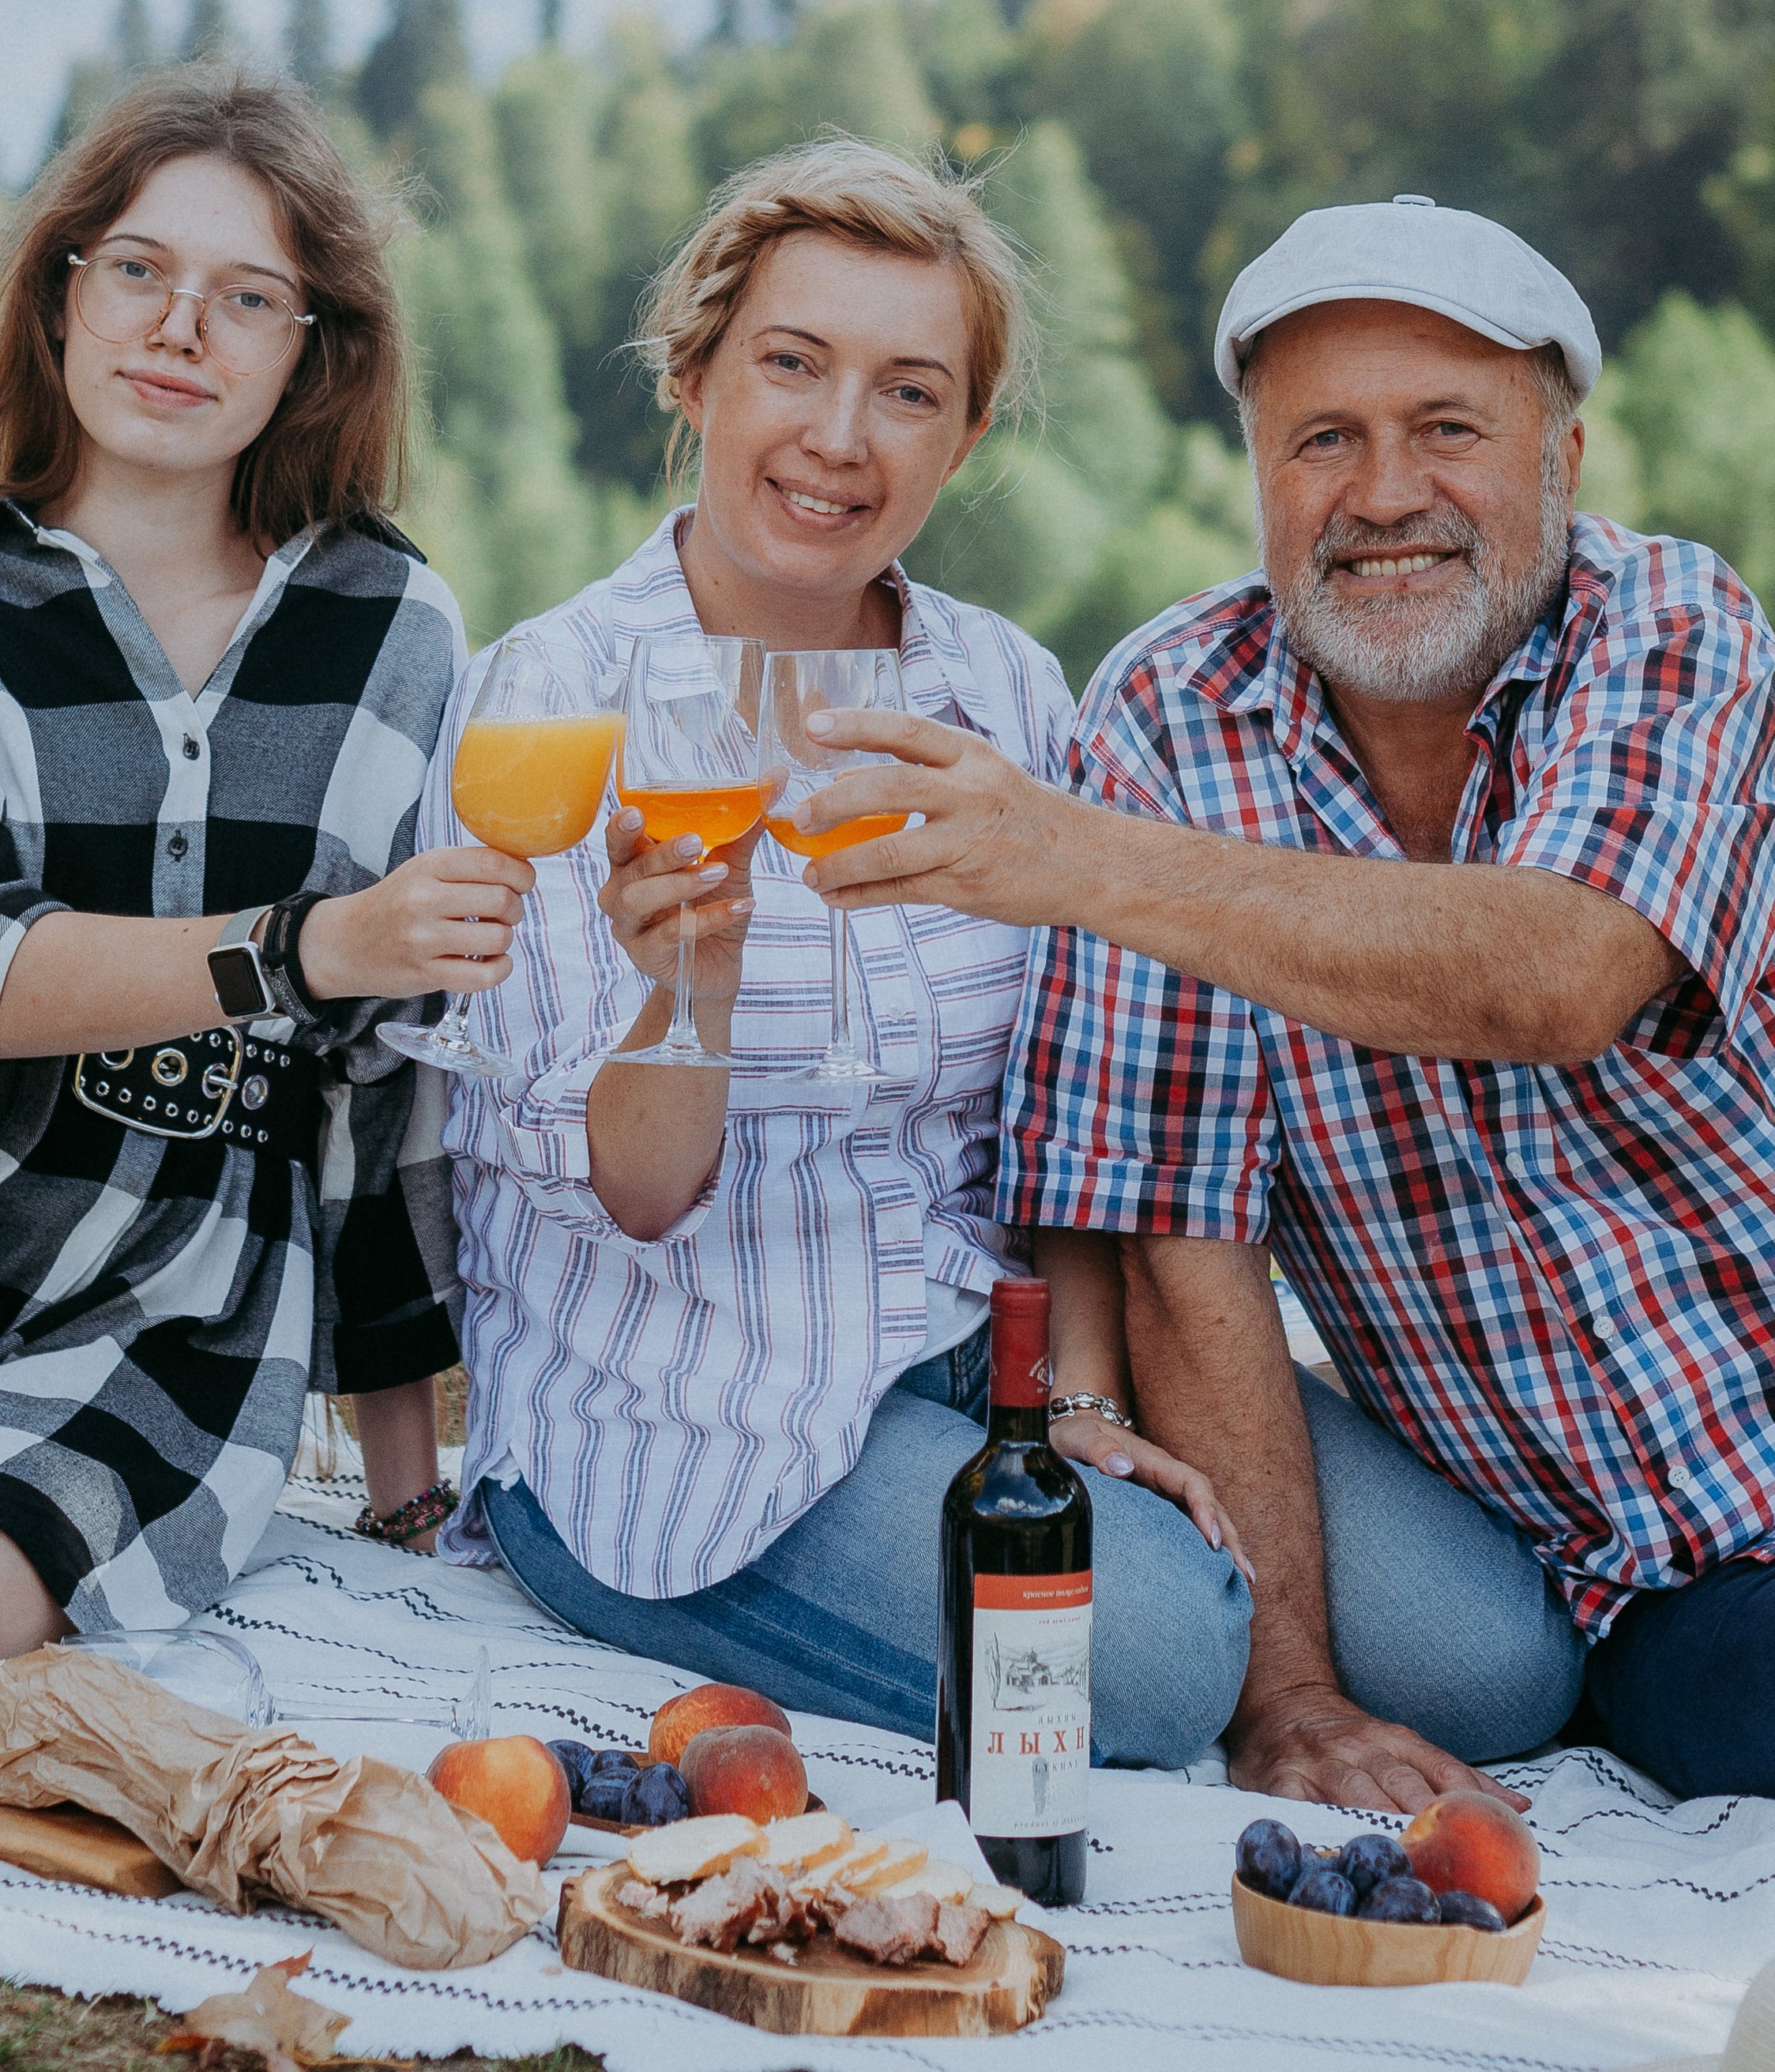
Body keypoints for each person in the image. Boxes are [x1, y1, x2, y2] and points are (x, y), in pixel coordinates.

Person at [800, 194, 1775, 1807]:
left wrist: (1075, 857)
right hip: (1637, 1589)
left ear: (1565, 460)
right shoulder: (1170, 722)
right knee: (1550, 1680)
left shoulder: (1671, 626)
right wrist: (1291, 1697)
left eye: (1445, 428)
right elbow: (1179, 1237)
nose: (1383, 493)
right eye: (1320, 439)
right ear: (1257, 472)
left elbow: (1552, 970)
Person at [410, 138, 1254, 1765]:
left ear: (963, 437)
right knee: (1151, 1662)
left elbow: (1070, 1108)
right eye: (790, 364)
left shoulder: (1000, 692)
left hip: (958, 1346)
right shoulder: (561, 694)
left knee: (1471, 1651)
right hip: (671, 1414)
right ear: (694, 375)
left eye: (908, 391)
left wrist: (1074, 1395)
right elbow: (637, 1194)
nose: (837, 438)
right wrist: (686, 991)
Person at [0, 70, 532, 1650]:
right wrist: (303, 946)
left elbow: (383, 1079)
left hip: (178, 1282)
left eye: (249, 296)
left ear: (311, 348)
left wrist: (400, 1495)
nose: (182, 328)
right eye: (139, 271)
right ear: (60, 298)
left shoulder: (390, 628)